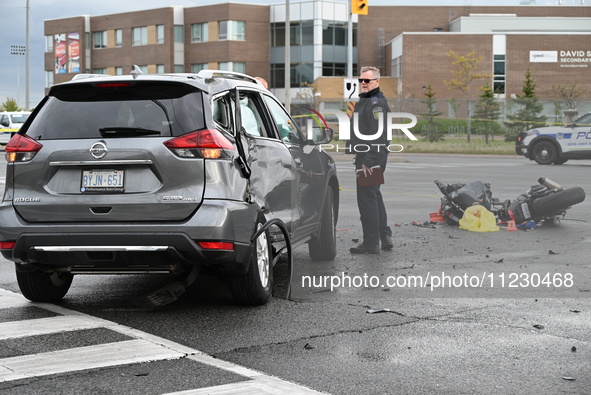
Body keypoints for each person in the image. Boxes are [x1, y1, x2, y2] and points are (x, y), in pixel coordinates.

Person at [347, 66, 393, 254]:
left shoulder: (375, 103)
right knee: (374, 195)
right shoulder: (367, 100)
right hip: (370, 155)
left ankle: (371, 243)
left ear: (377, 81)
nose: (363, 83)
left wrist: (368, 160)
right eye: (361, 80)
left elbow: (379, 133)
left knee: (366, 198)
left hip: (370, 156)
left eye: (367, 80)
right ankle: (384, 235)